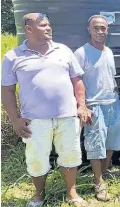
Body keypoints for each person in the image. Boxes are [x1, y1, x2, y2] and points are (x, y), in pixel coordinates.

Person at [1, 13, 91, 207]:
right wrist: (15, 120)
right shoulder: (13, 56)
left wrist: (81, 105)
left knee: (70, 155)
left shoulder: (64, 51)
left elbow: (77, 81)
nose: (48, 28)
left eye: (49, 24)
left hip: (67, 116)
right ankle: (38, 195)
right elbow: (7, 90)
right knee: (36, 159)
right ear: (29, 29)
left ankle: (72, 193)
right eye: (43, 25)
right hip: (34, 120)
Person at [74, 15, 120, 201]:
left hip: (112, 102)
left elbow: (110, 78)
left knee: (112, 140)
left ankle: (103, 172)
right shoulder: (81, 53)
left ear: (107, 30)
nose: (100, 31)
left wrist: (117, 98)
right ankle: (98, 182)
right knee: (95, 144)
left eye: (103, 28)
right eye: (96, 28)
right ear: (89, 29)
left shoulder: (109, 52)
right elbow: (76, 81)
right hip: (94, 105)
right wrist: (82, 105)